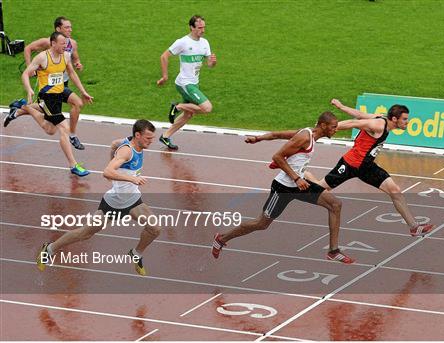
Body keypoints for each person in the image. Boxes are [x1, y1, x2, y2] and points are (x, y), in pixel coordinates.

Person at [212, 112, 355, 264]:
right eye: (333, 127)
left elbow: (277, 134)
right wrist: (296, 178)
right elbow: (277, 157)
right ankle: (222, 238)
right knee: (261, 224)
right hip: (283, 187)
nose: (336, 130)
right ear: (323, 125)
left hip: (300, 185)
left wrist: (257, 138)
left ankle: (333, 251)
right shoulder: (304, 137)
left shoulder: (308, 135)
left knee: (335, 204)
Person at [36, 119, 161, 276]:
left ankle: (136, 254)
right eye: (148, 138)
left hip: (133, 200)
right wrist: (132, 179)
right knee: (86, 233)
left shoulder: (129, 142)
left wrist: (113, 159)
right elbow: (107, 172)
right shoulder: (127, 151)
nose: (151, 141)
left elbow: (114, 144)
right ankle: (49, 249)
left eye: (152, 138)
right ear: (137, 135)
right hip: (113, 203)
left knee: (154, 228)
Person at [306, 99, 435, 237]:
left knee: (395, 190)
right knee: (320, 189)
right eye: (404, 119)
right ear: (394, 118)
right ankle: (304, 175)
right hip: (350, 164)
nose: (407, 122)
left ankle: (414, 227)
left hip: (367, 167)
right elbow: (354, 123)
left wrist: (342, 106)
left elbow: (360, 114)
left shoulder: (380, 119)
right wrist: (326, 129)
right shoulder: (378, 125)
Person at [4, 32, 93, 177]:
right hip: (47, 97)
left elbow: (72, 74)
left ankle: (24, 107)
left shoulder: (65, 56)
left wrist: (83, 91)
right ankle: (73, 165)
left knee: (51, 130)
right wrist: (29, 90)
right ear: (53, 43)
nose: (66, 45)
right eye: (62, 43)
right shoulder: (42, 58)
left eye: (66, 43)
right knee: (63, 128)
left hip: (60, 92)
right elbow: (25, 74)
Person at [22, 16, 86, 149]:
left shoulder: (72, 44)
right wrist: (31, 68)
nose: (70, 30)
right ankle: (22, 108)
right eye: (67, 27)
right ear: (58, 29)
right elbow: (28, 48)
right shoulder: (48, 42)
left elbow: (75, 58)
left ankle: (72, 135)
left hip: (63, 84)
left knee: (75, 104)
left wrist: (78, 63)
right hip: (49, 88)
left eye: (71, 27)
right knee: (53, 125)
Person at [156, 15, 217, 150]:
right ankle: (177, 106)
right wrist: (165, 76)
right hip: (184, 83)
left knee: (189, 114)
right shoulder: (182, 42)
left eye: (204, 27)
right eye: (200, 28)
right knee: (207, 108)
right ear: (191, 27)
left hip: (194, 83)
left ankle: (165, 136)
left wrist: (213, 62)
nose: (203, 30)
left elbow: (209, 65)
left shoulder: (205, 43)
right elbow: (164, 56)